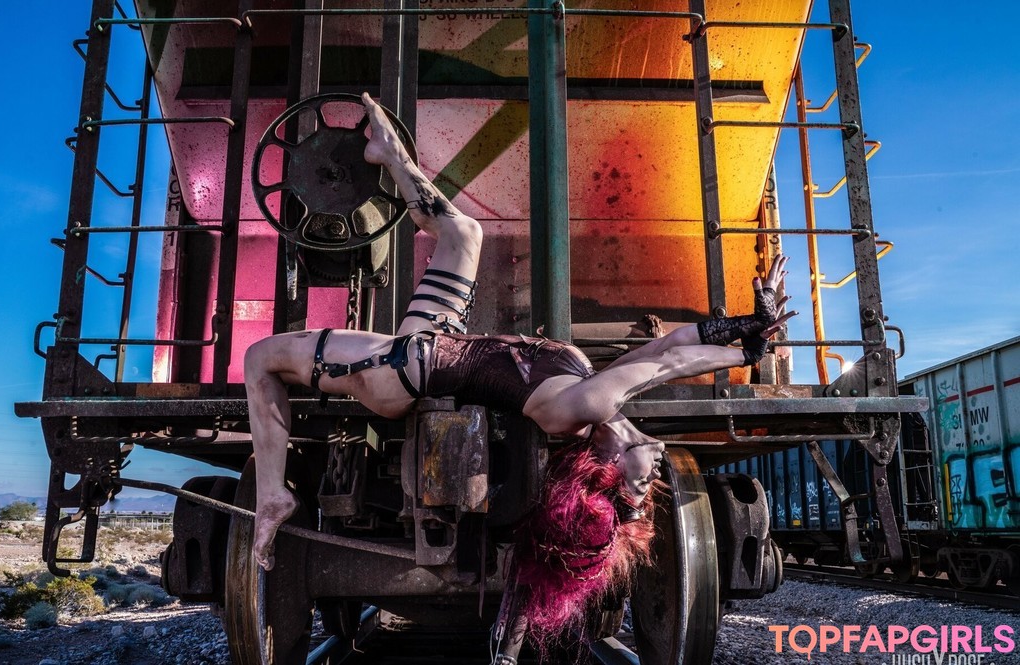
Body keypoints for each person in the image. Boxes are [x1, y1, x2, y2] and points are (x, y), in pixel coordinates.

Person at [244, 93, 794, 630]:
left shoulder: (587, 406)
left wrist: (746, 348)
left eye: (636, 487)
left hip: (402, 370)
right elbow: (664, 348)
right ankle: (389, 155)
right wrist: (747, 324)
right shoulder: (597, 399)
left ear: (606, 465)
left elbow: (666, 367)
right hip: (435, 342)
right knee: (465, 233)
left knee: (260, 359)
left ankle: (272, 496)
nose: (650, 478)